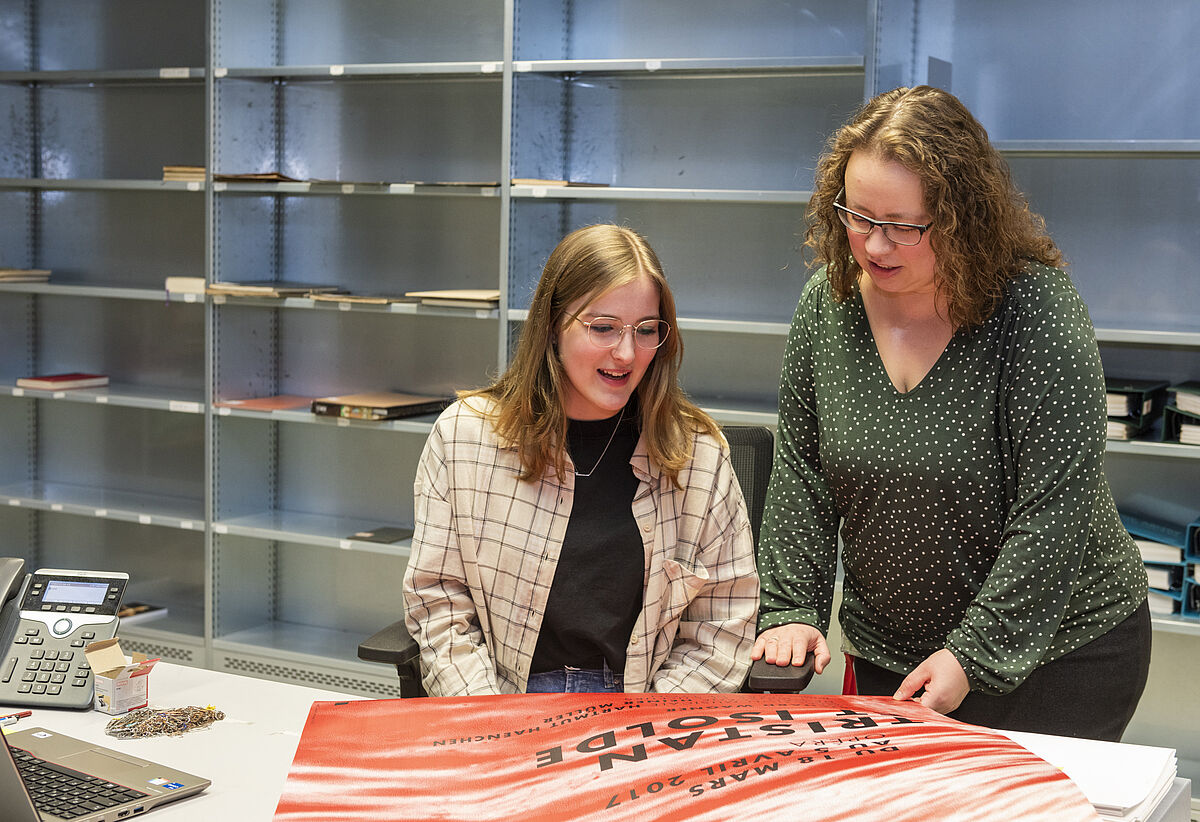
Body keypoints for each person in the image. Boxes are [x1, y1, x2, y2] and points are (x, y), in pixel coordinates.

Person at [752, 86, 1150, 741]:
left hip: (1059, 656)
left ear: (962, 217)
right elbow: (804, 472)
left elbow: (1055, 509)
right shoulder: (828, 304)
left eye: (903, 226)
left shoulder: (1034, 311)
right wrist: (792, 608)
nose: (876, 246)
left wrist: (974, 654)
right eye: (858, 217)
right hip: (890, 655)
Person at [403, 223, 759, 696]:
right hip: (502, 699)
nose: (626, 353)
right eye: (603, 327)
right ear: (553, 325)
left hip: (642, 705)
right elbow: (440, 608)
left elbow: (721, 630)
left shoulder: (699, 455)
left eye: (646, 330)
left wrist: (650, 727)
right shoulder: (463, 437)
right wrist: (489, 720)